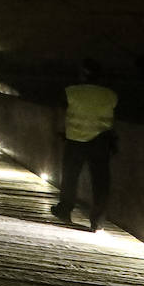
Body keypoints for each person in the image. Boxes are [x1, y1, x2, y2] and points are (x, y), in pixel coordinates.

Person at [50, 58, 118, 231]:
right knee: (101, 182)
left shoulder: (71, 92)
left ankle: (65, 209)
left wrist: (60, 130)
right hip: (101, 142)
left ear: (82, 74)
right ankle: (98, 221)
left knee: (70, 177)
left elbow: (59, 111)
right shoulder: (110, 95)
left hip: (75, 140)